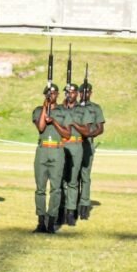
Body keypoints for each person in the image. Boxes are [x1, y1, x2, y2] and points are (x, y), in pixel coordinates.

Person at [32, 85, 70, 234]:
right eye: (49, 93)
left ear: (58, 94)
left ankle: (52, 222)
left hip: (57, 150)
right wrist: (44, 107)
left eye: (54, 93)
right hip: (42, 151)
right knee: (40, 189)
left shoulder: (64, 112)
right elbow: (41, 127)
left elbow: (67, 134)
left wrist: (54, 121)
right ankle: (41, 221)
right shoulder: (38, 110)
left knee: (56, 189)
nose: (52, 95)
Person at [58, 83, 86, 227]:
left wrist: (74, 124)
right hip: (61, 145)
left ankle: (71, 212)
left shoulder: (82, 110)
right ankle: (60, 210)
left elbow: (87, 130)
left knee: (73, 181)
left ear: (77, 94)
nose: (70, 95)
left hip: (76, 145)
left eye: (73, 92)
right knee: (61, 180)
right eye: (67, 92)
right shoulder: (58, 109)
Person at [77, 82, 104, 220]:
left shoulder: (95, 108)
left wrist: (90, 134)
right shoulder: (73, 107)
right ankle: (72, 204)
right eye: (82, 92)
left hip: (87, 144)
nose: (84, 94)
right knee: (73, 177)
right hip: (74, 144)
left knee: (85, 177)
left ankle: (84, 206)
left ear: (91, 93)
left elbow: (100, 128)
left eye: (87, 92)